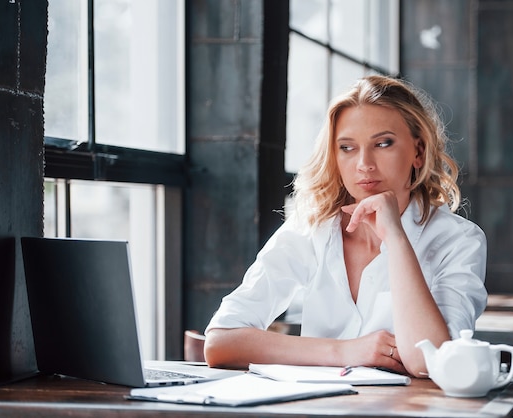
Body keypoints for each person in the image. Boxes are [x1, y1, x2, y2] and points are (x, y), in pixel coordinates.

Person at [204, 75, 487, 377]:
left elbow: (431, 362)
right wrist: (345, 351)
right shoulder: (311, 229)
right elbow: (221, 341)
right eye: (347, 148)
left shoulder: (459, 240)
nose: (364, 163)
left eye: (383, 143)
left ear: (418, 152)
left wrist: (396, 237)